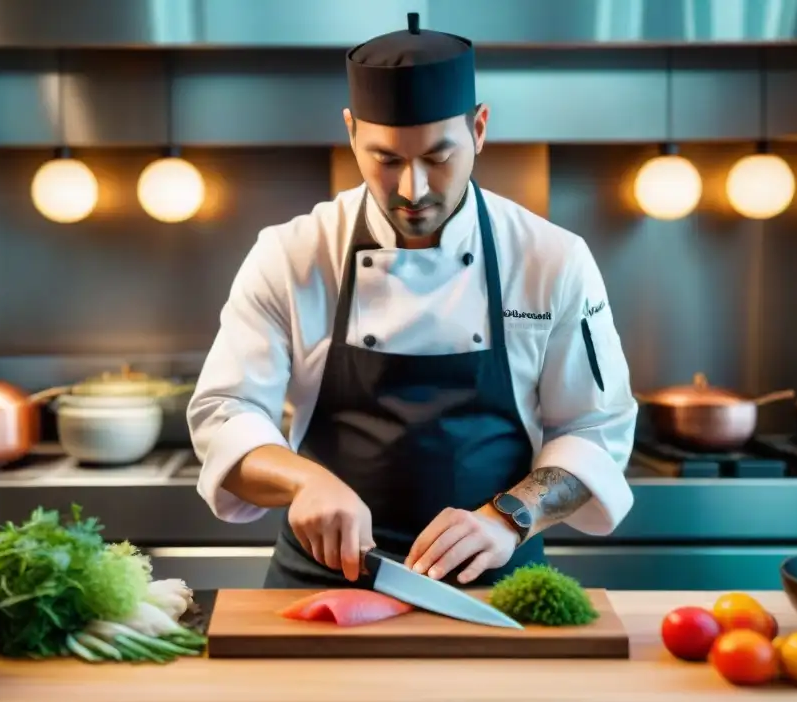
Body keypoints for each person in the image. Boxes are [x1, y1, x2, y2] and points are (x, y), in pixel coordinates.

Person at [187, 13, 638, 589]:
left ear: (479, 129)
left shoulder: (552, 259)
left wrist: (511, 516)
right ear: (351, 132)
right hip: (323, 581)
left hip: (495, 582)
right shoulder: (292, 254)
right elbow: (225, 413)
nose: (413, 189)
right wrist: (303, 481)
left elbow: (596, 429)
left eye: (437, 157)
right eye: (388, 159)